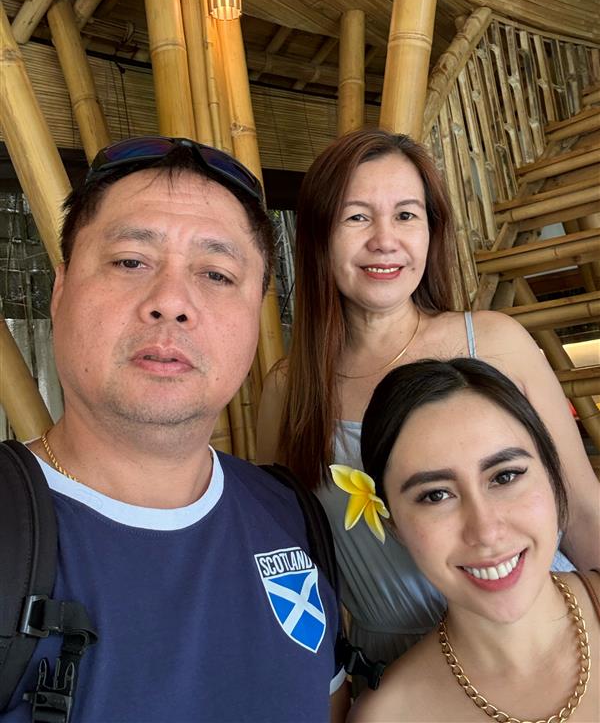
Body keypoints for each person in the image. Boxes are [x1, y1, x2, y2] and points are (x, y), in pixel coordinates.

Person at [3, 136, 347, 722]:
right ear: (60, 292)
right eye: (131, 261)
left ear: (255, 318)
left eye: (216, 273)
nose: (171, 302)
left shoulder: (291, 514)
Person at [256, 128, 600, 666]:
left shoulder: (495, 343)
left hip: (546, 639)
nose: (385, 240)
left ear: (431, 232)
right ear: (319, 235)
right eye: (357, 216)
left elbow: (580, 508)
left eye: (407, 215)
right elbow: (292, 564)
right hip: (396, 666)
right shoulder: (290, 391)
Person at [345, 358, 599, 722]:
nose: (485, 531)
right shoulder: (388, 715)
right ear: (394, 524)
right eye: (436, 495)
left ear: (553, 477)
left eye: (505, 476)